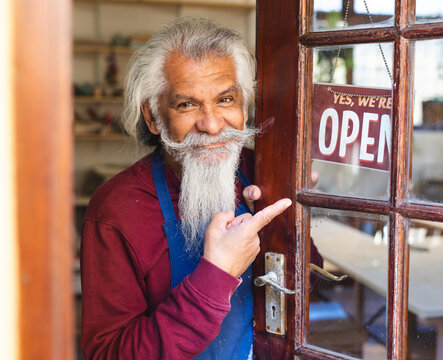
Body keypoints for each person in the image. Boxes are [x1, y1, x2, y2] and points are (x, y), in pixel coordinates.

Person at [81, 17, 322, 359]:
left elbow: (306, 285)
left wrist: (287, 226)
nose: (211, 125)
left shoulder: (262, 171)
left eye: (225, 100)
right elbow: (108, 355)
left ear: (245, 105)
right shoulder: (118, 209)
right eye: (187, 104)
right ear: (153, 117)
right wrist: (217, 275)